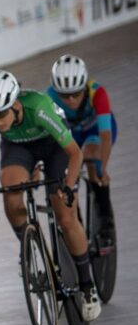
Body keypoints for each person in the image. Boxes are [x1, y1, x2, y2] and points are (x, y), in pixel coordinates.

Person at [0, 70, 101, 321]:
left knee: (65, 217)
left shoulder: (40, 107)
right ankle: (29, 247)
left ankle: (88, 287)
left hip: (55, 145)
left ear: (15, 105)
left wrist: (67, 186)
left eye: (1, 114)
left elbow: (75, 154)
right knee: (10, 195)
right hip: (19, 148)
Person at [46, 54, 116, 235]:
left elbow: (105, 135)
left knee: (94, 164)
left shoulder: (98, 93)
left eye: (76, 94)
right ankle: (76, 223)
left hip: (95, 131)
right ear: (56, 91)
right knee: (67, 174)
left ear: (84, 86)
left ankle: (105, 215)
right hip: (71, 134)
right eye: (65, 96)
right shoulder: (49, 97)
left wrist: (102, 168)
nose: (70, 100)